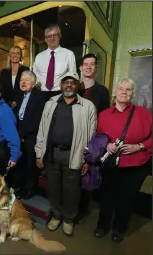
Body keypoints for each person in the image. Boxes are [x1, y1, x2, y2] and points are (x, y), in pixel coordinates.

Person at [35, 72, 97, 235]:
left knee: (72, 191)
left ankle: (69, 219)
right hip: (53, 153)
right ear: (61, 85)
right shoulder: (51, 103)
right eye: (65, 82)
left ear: (78, 85)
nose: (69, 85)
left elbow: (91, 136)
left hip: (74, 155)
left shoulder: (88, 106)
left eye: (72, 82)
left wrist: (87, 160)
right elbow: (42, 129)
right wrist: (39, 153)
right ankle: (56, 216)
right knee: (54, 188)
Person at [94, 78, 152, 243]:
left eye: (128, 90)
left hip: (136, 165)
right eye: (121, 89)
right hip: (110, 164)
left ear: (132, 94)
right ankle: (102, 226)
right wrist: (107, 144)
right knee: (107, 197)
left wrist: (139, 146)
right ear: (115, 92)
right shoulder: (104, 115)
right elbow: (97, 137)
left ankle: (119, 229)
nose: (124, 92)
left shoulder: (144, 113)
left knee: (126, 199)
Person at [77, 53, 110, 223]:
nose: (89, 67)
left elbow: (104, 117)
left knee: (86, 174)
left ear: (96, 68)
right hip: (72, 137)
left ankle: (81, 210)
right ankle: (69, 208)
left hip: (90, 138)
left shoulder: (101, 91)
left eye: (92, 64)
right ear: (81, 68)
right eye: (86, 64)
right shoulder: (75, 87)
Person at [13, 71, 45, 199]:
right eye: (21, 80)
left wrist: (22, 134)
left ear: (33, 83)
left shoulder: (39, 96)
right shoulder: (19, 95)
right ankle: (20, 187)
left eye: (26, 80)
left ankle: (30, 189)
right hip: (18, 135)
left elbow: (38, 121)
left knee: (30, 164)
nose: (23, 82)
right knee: (20, 164)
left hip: (31, 136)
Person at [33, 24, 76, 102]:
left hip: (61, 94)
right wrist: (36, 83)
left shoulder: (69, 54)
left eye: (55, 35)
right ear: (45, 39)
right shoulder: (39, 57)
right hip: (41, 95)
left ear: (59, 36)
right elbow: (35, 76)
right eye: (49, 36)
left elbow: (72, 76)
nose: (52, 38)